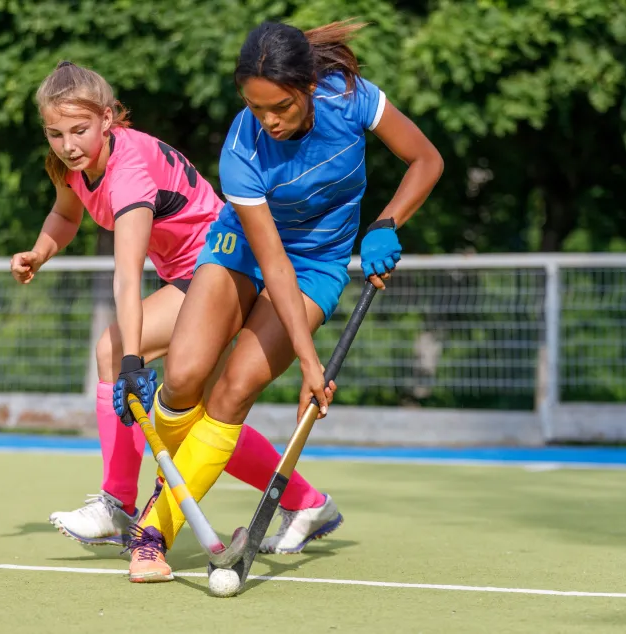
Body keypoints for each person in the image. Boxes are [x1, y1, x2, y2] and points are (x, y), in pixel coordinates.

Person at [126, 20, 443, 582]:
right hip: (245, 244)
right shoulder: (243, 148)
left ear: (306, 87)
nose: (268, 121)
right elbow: (271, 263)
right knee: (183, 376)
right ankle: (176, 495)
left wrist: (388, 222)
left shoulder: (350, 98)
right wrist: (312, 365)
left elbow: (426, 160)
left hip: (317, 264)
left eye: (280, 107)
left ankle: (154, 532)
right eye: (255, 107)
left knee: (235, 388)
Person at [11, 61, 342, 551]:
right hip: (192, 272)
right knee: (202, 422)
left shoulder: (128, 173)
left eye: (80, 130)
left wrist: (129, 360)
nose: (69, 145)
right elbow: (65, 212)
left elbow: (126, 278)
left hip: (223, 265)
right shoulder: (71, 163)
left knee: (112, 347)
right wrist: (40, 250)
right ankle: (308, 502)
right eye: (56, 134)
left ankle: (117, 504)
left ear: (108, 119)